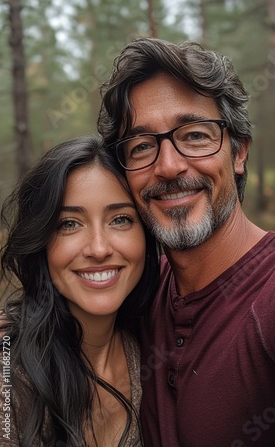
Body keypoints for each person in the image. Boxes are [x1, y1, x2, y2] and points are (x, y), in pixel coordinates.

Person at [97, 37, 275, 447]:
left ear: (239, 152)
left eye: (194, 135)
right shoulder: (134, 290)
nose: (169, 166)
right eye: (142, 146)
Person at [0, 135, 159, 447]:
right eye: (69, 224)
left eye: (121, 219)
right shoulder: (4, 372)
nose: (98, 248)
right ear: (41, 241)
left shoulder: (155, 343)